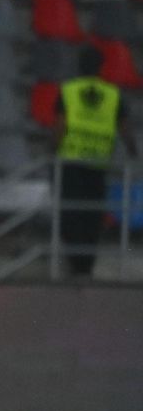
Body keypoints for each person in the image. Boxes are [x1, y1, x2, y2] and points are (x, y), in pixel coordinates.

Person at [54, 47, 137, 277]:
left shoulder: (68, 90)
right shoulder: (112, 94)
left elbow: (60, 126)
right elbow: (125, 130)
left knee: (71, 214)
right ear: (101, 68)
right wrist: (133, 152)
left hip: (71, 162)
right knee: (92, 215)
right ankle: (86, 265)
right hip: (98, 164)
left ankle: (76, 262)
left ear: (80, 67)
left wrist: (53, 150)